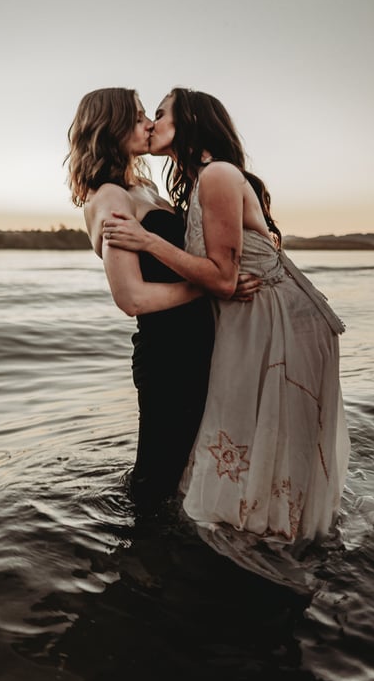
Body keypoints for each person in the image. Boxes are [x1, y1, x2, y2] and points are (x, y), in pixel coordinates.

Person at [103, 89, 350, 560]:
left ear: (190, 121)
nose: (151, 124)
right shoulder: (200, 181)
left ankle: (282, 537)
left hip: (279, 318)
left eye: (160, 114)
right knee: (249, 427)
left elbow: (223, 277)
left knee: (269, 427)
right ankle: (268, 531)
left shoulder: (217, 174)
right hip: (255, 314)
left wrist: (147, 242)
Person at [66, 88, 259, 511]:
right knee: (157, 477)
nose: (148, 125)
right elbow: (131, 298)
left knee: (191, 467)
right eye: (138, 118)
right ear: (111, 126)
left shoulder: (144, 188)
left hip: (195, 345)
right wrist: (213, 285)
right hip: (168, 354)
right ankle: (141, 566)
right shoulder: (109, 197)